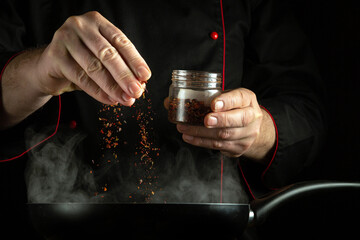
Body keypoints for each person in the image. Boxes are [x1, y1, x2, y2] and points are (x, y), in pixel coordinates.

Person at [0, 0, 326, 237]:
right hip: (57, 220)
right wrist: (38, 70)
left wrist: (257, 129)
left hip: (210, 224)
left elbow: (306, 112)